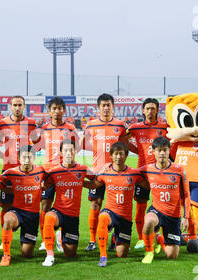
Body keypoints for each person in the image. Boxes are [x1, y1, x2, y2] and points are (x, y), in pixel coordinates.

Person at [83, 142, 147, 267]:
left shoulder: (134, 174)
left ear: (126, 155)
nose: (118, 157)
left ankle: (114, 239)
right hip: (110, 212)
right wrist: (77, 181)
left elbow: (148, 185)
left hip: (125, 218)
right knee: (102, 218)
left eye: (121, 154)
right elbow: (93, 185)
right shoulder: (105, 173)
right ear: (111, 156)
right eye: (115, 154)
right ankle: (103, 255)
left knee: (122, 254)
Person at [81, 93, 127, 252]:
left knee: (117, 206)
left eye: (109, 105)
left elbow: (125, 147)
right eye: (103, 105)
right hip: (97, 172)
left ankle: (116, 237)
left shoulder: (120, 125)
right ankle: (93, 240)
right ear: (99, 107)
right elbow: (81, 144)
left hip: (116, 173)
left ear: (113, 107)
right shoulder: (91, 125)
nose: (106, 108)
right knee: (95, 204)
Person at [34, 96, 80, 251]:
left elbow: (77, 147)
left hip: (64, 173)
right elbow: (37, 148)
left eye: (60, 108)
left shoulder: (71, 129)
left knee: (64, 206)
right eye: (54, 108)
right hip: (48, 172)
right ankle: (44, 239)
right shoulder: (44, 129)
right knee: (45, 205)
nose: (57, 111)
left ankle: (61, 236)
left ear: (64, 110)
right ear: (49, 111)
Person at [41, 139, 96, 267]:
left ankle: (60, 236)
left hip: (73, 216)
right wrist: (42, 185)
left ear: (75, 152)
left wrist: (82, 183)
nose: (68, 153)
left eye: (71, 150)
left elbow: (96, 182)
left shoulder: (83, 169)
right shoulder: (54, 171)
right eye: (65, 150)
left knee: (70, 254)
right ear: (60, 153)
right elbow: (45, 185)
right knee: (48, 217)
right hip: (59, 211)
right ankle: (49, 255)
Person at [0, 96, 40, 249]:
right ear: (10, 106)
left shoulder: (31, 123)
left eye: (20, 105)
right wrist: (4, 156)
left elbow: (38, 144)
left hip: (25, 171)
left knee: (30, 203)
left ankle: (30, 233)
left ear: (24, 106)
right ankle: (4, 239)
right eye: (14, 105)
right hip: (8, 171)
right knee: (5, 205)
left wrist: (30, 157)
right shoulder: (3, 123)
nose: (17, 108)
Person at [138, 136, 191, 264]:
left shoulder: (179, 170)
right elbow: (130, 173)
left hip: (173, 216)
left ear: (169, 151)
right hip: (157, 210)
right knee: (149, 220)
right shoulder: (147, 169)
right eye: (159, 150)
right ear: (154, 152)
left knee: (171, 255)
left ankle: (160, 239)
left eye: (165, 150)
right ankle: (149, 251)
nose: (162, 153)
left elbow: (186, 195)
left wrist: (186, 217)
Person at [125, 98, 169, 250]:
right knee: (140, 206)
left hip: (160, 173)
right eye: (148, 108)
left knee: (163, 207)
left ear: (157, 110)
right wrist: (137, 150)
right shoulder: (135, 128)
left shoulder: (164, 127)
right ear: (143, 111)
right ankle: (141, 238)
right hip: (142, 174)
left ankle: (166, 237)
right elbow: (123, 140)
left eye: (153, 108)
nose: (150, 111)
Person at [0, 145, 46, 266]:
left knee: (27, 254)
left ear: (34, 158)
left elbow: (51, 180)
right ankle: (6, 255)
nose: (26, 160)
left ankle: (24, 238)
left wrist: (45, 186)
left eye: (29, 157)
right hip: (17, 212)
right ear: (19, 158)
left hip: (33, 216)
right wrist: (10, 189)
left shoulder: (41, 170)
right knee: (8, 219)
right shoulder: (11, 172)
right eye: (24, 157)